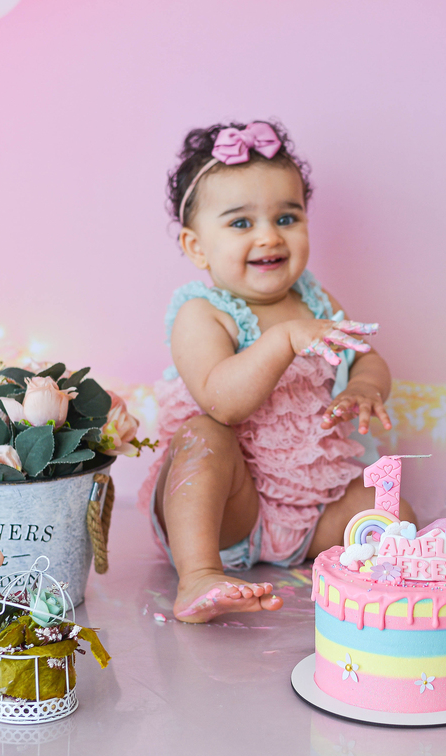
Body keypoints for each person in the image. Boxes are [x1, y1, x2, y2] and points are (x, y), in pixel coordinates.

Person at [140, 120, 415, 623]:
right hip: (229, 514)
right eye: (241, 223)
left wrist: (362, 385)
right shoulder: (202, 312)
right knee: (204, 435)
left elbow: (365, 354)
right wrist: (282, 339)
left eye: (286, 218)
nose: (269, 236)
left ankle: (365, 568)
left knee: (387, 505)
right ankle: (199, 574)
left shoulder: (313, 298)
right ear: (197, 246)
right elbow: (223, 402)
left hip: (312, 508)